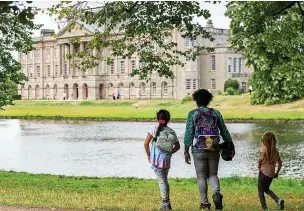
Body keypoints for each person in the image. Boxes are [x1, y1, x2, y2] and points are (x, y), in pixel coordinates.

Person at [184, 89, 232, 211]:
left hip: (198, 149)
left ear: (196, 101)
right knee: (213, 174)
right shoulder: (216, 113)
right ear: (209, 100)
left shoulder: (193, 114)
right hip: (214, 148)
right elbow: (224, 130)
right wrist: (230, 143)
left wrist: (186, 150)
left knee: (201, 176)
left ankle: (205, 204)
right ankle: (216, 193)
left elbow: (189, 133)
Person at [144, 110, 180, 210]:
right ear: (168, 119)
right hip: (166, 159)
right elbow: (177, 147)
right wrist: (169, 153)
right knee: (164, 180)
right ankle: (167, 202)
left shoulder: (154, 129)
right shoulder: (171, 131)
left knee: (162, 181)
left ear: (157, 119)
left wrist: (149, 155)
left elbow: (146, 143)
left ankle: (165, 204)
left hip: (156, 159)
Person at [258, 132, 284, 211]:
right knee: (266, 189)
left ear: (266, 142)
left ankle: (264, 207)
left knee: (260, 190)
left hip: (263, 173)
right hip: (271, 174)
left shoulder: (264, 150)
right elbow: (280, 163)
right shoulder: (276, 152)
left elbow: (260, 160)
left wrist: (259, 165)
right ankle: (278, 200)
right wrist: (277, 172)